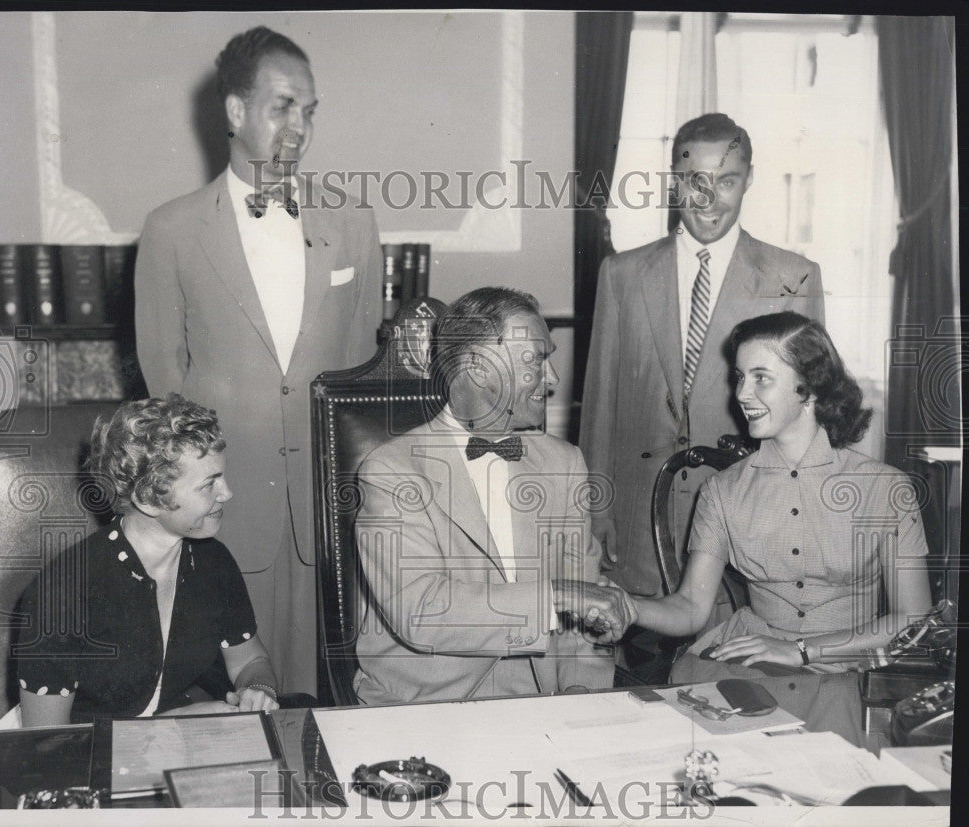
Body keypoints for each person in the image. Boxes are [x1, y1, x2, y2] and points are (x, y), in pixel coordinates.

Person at [134, 26, 382, 696]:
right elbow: (164, 384)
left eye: (309, 109)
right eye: (282, 106)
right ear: (235, 112)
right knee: (229, 708)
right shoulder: (170, 230)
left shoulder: (354, 224)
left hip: (328, 515)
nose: (298, 126)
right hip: (223, 511)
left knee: (325, 699)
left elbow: (358, 377)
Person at [558, 312, 933, 684]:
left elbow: (914, 618)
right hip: (747, 664)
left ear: (810, 387)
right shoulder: (722, 491)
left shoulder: (885, 489)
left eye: (761, 379)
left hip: (852, 670)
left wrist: (801, 650)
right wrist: (628, 606)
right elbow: (690, 607)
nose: (741, 394)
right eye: (739, 377)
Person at [580, 113, 825, 597]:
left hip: (748, 527)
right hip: (633, 526)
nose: (710, 200)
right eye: (696, 182)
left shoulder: (792, 277)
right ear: (675, 183)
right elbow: (599, 403)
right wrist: (596, 508)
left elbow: (808, 415)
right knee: (637, 665)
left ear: (749, 179)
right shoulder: (621, 274)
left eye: (727, 181)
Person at [353, 288, 614, 705]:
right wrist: (557, 596)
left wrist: (581, 696)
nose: (553, 380)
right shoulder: (392, 470)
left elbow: (583, 624)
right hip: (424, 706)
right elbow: (421, 610)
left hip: (538, 700)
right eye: (535, 360)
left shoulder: (564, 464)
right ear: (477, 367)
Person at [17, 396, 280, 726]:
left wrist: (256, 688)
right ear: (149, 499)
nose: (226, 493)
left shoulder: (213, 560)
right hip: (89, 760)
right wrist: (173, 725)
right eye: (209, 483)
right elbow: (48, 741)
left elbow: (249, 661)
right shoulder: (61, 592)